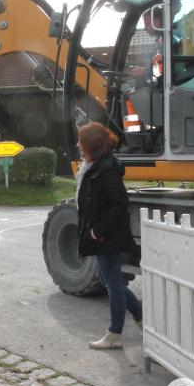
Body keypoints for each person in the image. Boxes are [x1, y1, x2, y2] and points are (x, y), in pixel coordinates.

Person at [76, 122, 142, 350]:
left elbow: (119, 203)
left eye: (81, 141)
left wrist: (98, 230)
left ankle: (114, 334)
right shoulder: (97, 166)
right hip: (102, 234)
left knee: (112, 283)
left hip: (106, 236)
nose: (78, 145)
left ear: (91, 145)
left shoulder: (107, 169)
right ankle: (141, 317)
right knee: (109, 281)